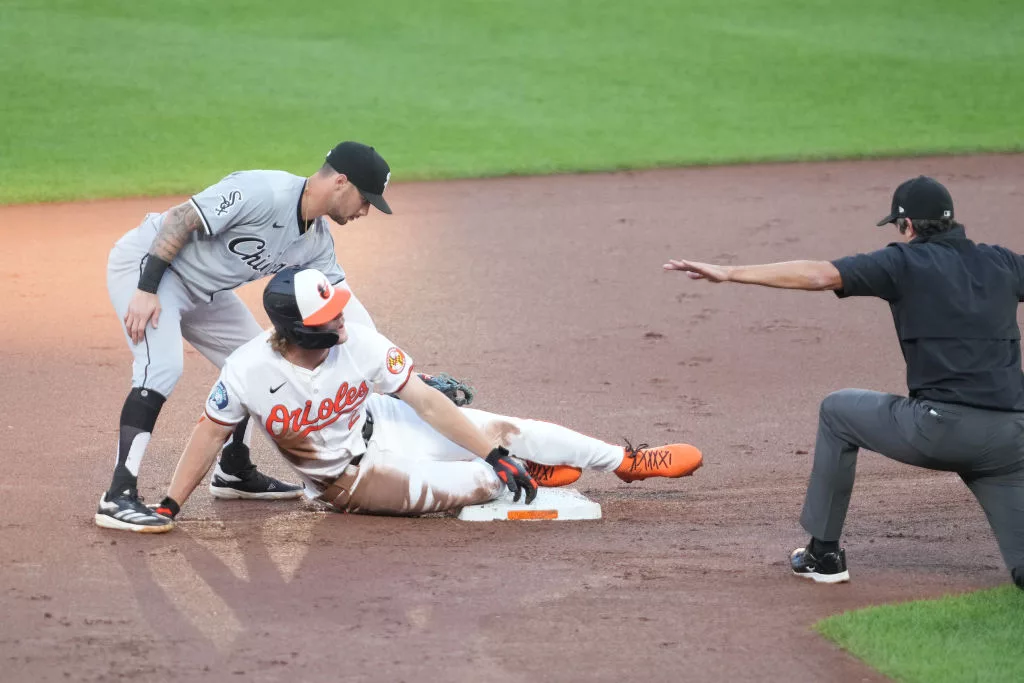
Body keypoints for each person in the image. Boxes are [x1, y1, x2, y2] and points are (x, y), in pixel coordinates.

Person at [664, 176, 1024, 589]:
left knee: (838, 411)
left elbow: (819, 275)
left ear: (906, 226)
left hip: (939, 430)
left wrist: (728, 272)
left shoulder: (902, 262)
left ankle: (823, 555)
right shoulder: (1003, 262)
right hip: (1010, 440)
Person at [148, 267, 704, 528]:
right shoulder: (248, 371)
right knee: (484, 484)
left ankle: (623, 462)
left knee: (504, 431)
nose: (342, 323)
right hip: (351, 479)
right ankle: (526, 470)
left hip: (384, 423)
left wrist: (490, 446)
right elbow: (208, 433)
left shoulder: (357, 342)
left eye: (338, 311)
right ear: (294, 330)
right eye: (327, 319)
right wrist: (171, 503)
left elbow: (428, 402)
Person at [96, 142, 394, 532]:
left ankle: (234, 470)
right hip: (152, 268)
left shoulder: (316, 240)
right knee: (162, 366)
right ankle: (118, 494)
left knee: (256, 364)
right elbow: (181, 219)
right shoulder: (264, 192)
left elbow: (345, 306)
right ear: (341, 182)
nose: (365, 210)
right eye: (365, 198)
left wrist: (388, 361)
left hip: (205, 291)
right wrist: (147, 288)